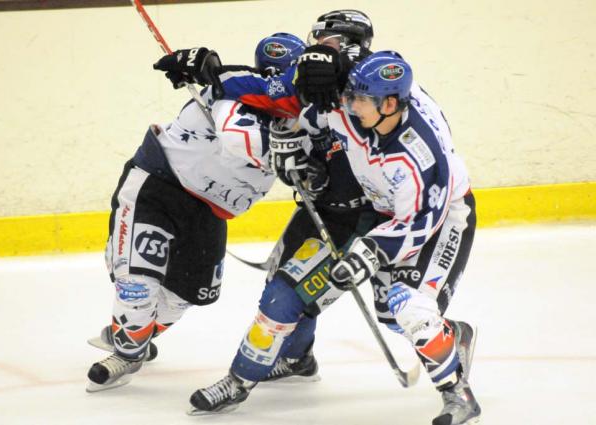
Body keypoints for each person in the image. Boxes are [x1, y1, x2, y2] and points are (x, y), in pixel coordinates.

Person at [188, 52, 482, 425]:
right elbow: (294, 112)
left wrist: (367, 255)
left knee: (409, 309)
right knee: (389, 316)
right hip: (380, 213)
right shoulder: (349, 108)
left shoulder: (418, 154)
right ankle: (241, 379)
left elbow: (419, 222)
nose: (350, 103)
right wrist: (284, 138)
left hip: (441, 219)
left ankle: (459, 394)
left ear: (389, 104)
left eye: (360, 99)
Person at [155, 10, 382, 386]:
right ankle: (293, 359)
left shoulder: (376, 88)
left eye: (322, 41)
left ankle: (448, 356)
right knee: (285, 285)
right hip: (326, 207)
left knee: (398, 307)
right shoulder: (307, 79)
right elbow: (256, 85)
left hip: (371, 215)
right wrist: (208, 70)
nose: (313, 49)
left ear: (346, 42)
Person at [85, 33, 305, 393]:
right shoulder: (227, 96)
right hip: (159, 188)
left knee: (187, 295)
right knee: (138, 284)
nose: (274, 84)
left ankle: (131, 334)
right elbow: (239, 139)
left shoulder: (300, 117)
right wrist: (289, 151)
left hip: (210, 212)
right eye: (268, 75)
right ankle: (127, 350)